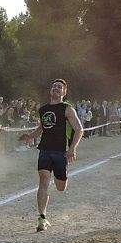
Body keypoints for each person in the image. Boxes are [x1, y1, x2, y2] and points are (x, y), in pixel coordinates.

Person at [20, 78, 82, 232]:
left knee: (61, 187)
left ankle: (59, 177)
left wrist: (72, 148)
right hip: (45, 150)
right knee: (43, 181)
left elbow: (79, 129)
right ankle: (42, 218)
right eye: (54, 86)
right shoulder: (43, 109)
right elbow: (42, 128)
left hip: (61, 152)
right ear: (50, 90)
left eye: (59, 87)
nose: (56, 88)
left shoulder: (67, 109)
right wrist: (30, 136)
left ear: (64, 92)